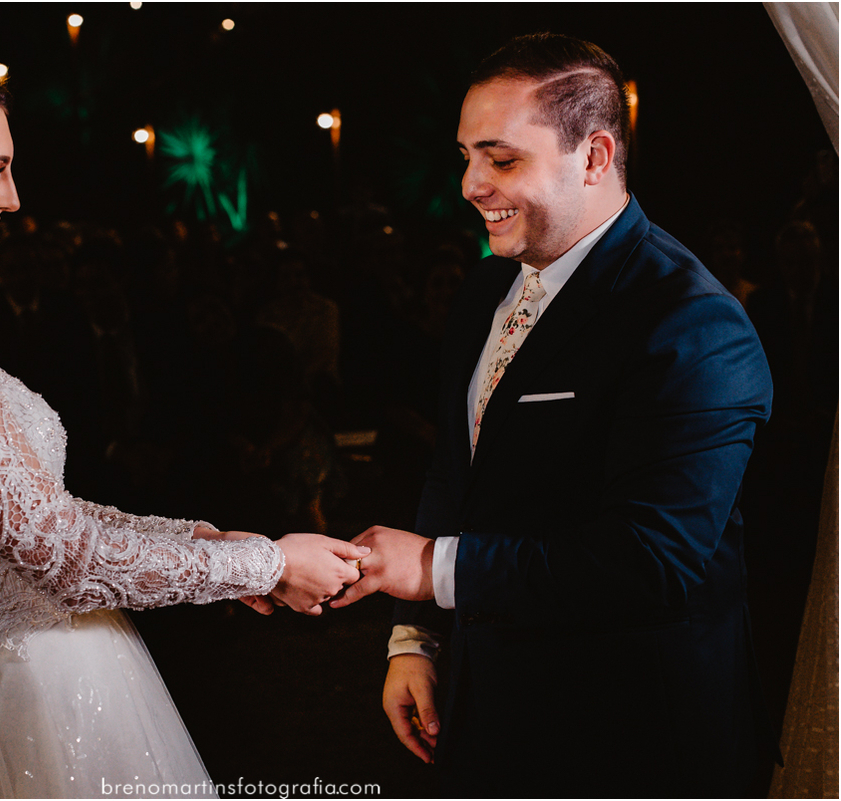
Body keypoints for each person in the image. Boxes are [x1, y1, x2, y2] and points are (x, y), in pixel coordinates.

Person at [0, 39, 367, 798]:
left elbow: (35, 518)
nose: (12, 199)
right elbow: (63, 556)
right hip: (14, 701)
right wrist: (269, 564)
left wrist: (202, 541)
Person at [331, 33, 776, 796]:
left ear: (595, 156)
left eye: (501, 160)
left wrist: (430, 569)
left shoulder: (692, 324)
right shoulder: (483, 292)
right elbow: (457, 472)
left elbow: (650, 561)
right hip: (488, 714)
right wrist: (417, 639)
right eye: (468, 155)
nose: (471, 184)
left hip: (628, 735)